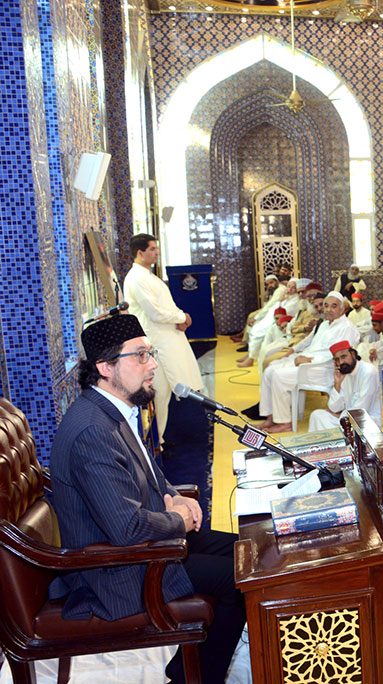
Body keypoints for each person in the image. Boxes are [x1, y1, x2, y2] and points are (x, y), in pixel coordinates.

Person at [48, 315, 244, 684]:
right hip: (117, 570)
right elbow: (126, 528)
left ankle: (191, 670)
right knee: (239, 580)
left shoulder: (112, 409)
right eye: (140, 356)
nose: (153, 364)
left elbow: (149, 474)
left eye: (150, 353)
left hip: (148, 545)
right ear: (105, 367)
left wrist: (173, 496)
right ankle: (194, 678)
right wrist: (180, 520)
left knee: (249, 549)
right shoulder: (93, 429)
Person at [121, 233, 204, 442]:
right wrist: (181, 316)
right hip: (155, 343)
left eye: (156, 248)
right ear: (140, 253)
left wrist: (179, 318)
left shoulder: (148, 275)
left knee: (163, 396)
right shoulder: (136, 278)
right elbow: (154, 312)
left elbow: (165, 306)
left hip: (166, 339)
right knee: (157, 395)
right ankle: (154, 444)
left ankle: (158, 441)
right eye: (152, 249)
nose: (157, 252)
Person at [257, 291, 361, 433]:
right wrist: (294, 351)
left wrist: (311, 360)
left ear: (342, 309)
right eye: (326, 306)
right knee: (269, 370)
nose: (329, 309)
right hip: (307, 361)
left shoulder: (347, 327)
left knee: (279, 376)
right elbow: (309, 341)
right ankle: (271, 417)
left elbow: (341, 356)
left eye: (334, 306)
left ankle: (284, 422)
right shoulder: (324, 324)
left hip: (323, 368)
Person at [307, 341, 383, 431]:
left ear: (353, 354)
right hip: (347, 419)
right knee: (317, 415)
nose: (341, 362)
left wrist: (341, 414)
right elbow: (334, 408)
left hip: (366, 421)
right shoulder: (345, 374)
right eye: (337, 360)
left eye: (343, 357)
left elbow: (361, 410)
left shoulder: (369, 372)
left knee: (340, 425)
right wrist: (337, 384)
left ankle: (337, 443)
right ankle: (327, 444)